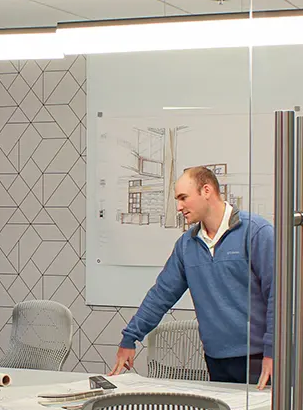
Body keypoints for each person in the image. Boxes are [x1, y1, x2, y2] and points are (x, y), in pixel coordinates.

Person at [110, 166, 274, 390]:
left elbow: (280, 296)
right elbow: (161, 295)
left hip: (261, 359)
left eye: (183, 198)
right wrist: (130, 337)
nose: (179, 207)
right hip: (216, 360)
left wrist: (274, 351)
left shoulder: (256, 232)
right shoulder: (187, 245)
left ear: (206, 190)